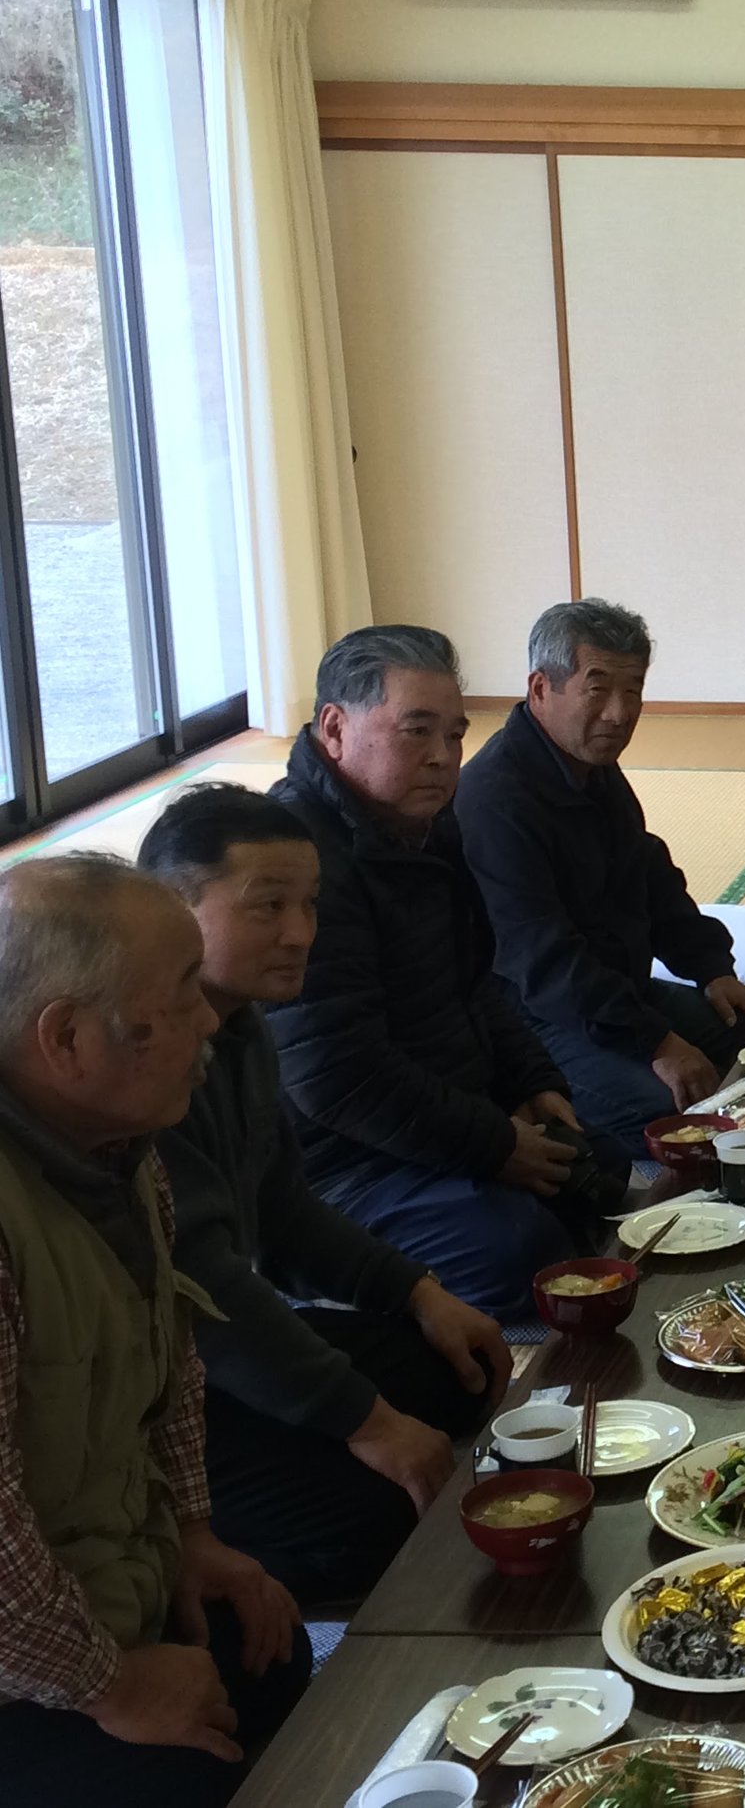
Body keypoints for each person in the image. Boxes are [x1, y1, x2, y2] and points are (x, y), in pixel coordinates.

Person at [139, 786, 509, 1605]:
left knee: (460, 1372)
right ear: (170, 910)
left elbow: (284, 1215)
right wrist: (367, 1422)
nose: (301, 932)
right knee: (383, 1519)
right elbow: (206, 1288)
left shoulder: (239, 1026)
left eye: (309, 903)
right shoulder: (141, 1062)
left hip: (214, 1346)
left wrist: (417, 1292)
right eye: (267, 906)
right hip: (156, 1390)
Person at [0, 856, 306, 1806]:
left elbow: (167, 1360)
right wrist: (111, 1683)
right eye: (181, 997)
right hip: (19, 1655)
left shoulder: (119, 1145)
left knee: (273, 1659)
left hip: (104, 1567)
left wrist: (192, 1532)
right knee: (179, 1771)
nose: (211, 1022)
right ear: (67, 1037)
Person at [268, 625, 593, 1319]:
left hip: (444, 1115)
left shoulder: (425, 825)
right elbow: (339, 1078)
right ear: (335, 727)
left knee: (600, 1179)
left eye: (454, 735)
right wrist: (494, 1144)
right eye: (417, 731)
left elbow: (479, 980)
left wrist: (531, 1081)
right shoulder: (298, 862)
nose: (444, 759)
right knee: (523, 1249)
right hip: (343, 1162)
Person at [458, 600, 745, 1146]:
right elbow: (546, 965)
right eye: (597, 689)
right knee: (681, 1120)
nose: (619, 713)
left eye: (634, 690)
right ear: (540, 688)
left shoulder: (591, 765)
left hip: (615, 992)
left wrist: (712, 968)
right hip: (536, 1019)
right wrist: (659, 1046)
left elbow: (650, 875)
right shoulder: (494, 800)